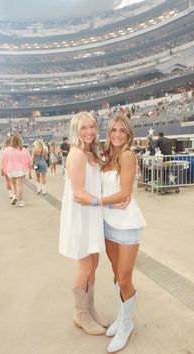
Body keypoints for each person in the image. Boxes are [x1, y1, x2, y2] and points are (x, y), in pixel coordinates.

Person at [74, 115, 146, 353]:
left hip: (126, 226)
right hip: (108, 224)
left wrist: (96, 201)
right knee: (116, 274)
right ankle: (121, 318)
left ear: (128, 135)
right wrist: (107, 205)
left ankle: (127, 325)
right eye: (113, 130)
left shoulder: (126, 155)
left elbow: (124, 193)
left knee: (124, 278)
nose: (117, 134)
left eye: (122, 131)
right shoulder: (108, 155)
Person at [59, 112, 108, 336]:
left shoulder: (90, 152)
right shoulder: (77, 154)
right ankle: (80, 313)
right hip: (82, 214)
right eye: (84, 128)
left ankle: (89, 307)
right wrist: (104, 202)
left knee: (94, 262)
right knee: (86, 266)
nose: (89, 131)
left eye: (92, 127)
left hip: (92, 214)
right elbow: (78, 194)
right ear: (76, 130)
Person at [0, 134, 32, 207]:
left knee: (13, 184)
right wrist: (30, 167)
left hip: (10, 170)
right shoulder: (23, 150)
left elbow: (3, 161)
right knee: (19, 186)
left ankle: (14, 196)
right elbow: (29, 160)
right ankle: (21, 202)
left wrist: (2, 169)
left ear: (11, 141)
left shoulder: (6, 150)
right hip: (21, 170)